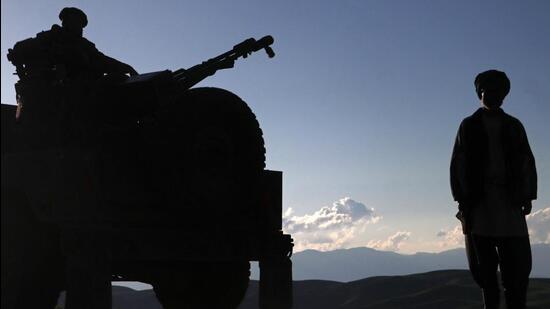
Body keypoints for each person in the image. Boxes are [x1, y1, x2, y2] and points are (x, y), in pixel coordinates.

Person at [450, 70, 537, 309]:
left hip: (509, 203)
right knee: (485, 273)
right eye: (490, 91)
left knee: (517, 271)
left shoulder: (513, 126)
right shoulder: (469, 126)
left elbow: (526, 161)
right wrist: (463, 199)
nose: (494, 96)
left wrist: (527, 194)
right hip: (480, 205)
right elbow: (459, 164)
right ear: (481, 93)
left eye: (499, 92)